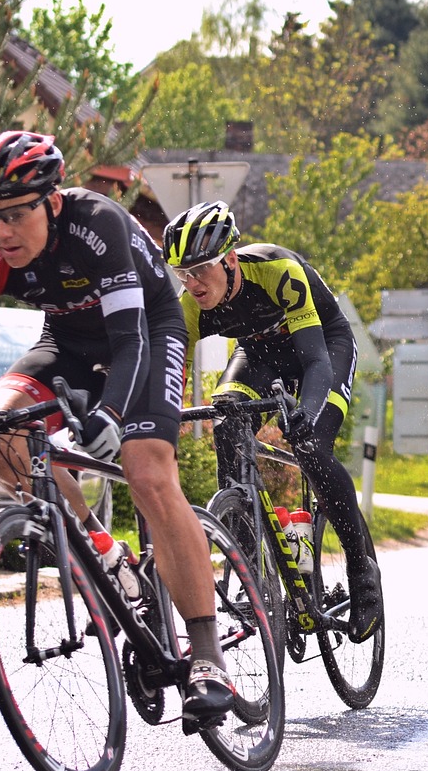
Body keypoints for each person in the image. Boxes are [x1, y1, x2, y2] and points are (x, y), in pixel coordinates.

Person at [0, 131, 234, 723]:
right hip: (68, 342)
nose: (1, 231)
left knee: (146, 472)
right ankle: (104, 553)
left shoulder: (97, 223)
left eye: (14, 214)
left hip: (148, 334)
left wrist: (109, 413)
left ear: (50, 201)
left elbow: (131, 338)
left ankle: (207, 655)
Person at [163, 201, 382, 643]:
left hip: (323, 345)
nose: (192, 282)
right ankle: (248, 561)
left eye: (201, 269)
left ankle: (362, 572)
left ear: (229, 258)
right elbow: (170, 368)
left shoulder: (276, 270)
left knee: (310, 447)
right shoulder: (192, 305)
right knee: (226, 411)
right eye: (181, 273)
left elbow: (317, 360)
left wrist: (308, 410)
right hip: (260, 353)